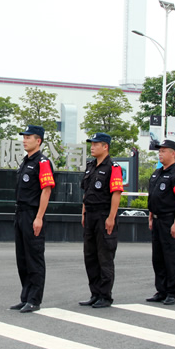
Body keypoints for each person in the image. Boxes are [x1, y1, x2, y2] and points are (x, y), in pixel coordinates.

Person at [10, 125, 55, 313]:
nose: (24, 140)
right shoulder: (25, 162)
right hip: (20, 213)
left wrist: (39, 217)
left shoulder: (42, 162)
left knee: (34, 258)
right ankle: (25, 297)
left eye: (28, 137)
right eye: (24, 137)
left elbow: (46, 190)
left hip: (32, 214)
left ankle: (34, 300)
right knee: (22, 258)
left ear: (38, 141)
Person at [79, 132, 124, 308]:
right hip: (90, 215)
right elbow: (86, 192)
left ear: (105, 146)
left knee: (104, 256)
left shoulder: (113, 167)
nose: (92, 147)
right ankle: (95, 293)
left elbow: (116, 193)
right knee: (90, 256)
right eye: (91, 144)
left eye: (96, 144)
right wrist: (83, 212)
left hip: (104, 215)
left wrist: (111, 217)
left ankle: (105, 296)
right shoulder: (90, 166)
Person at [146, 139, 175, 305]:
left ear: (173, 153)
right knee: (157, 257)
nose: (160, 154)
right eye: (159, 151)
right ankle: (161, 290)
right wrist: (151, 216)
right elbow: (153, 197)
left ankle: (172, 292)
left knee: (171, 257)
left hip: (169, 219)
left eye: (164, 151)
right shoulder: (157, 173)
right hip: (157, 220)